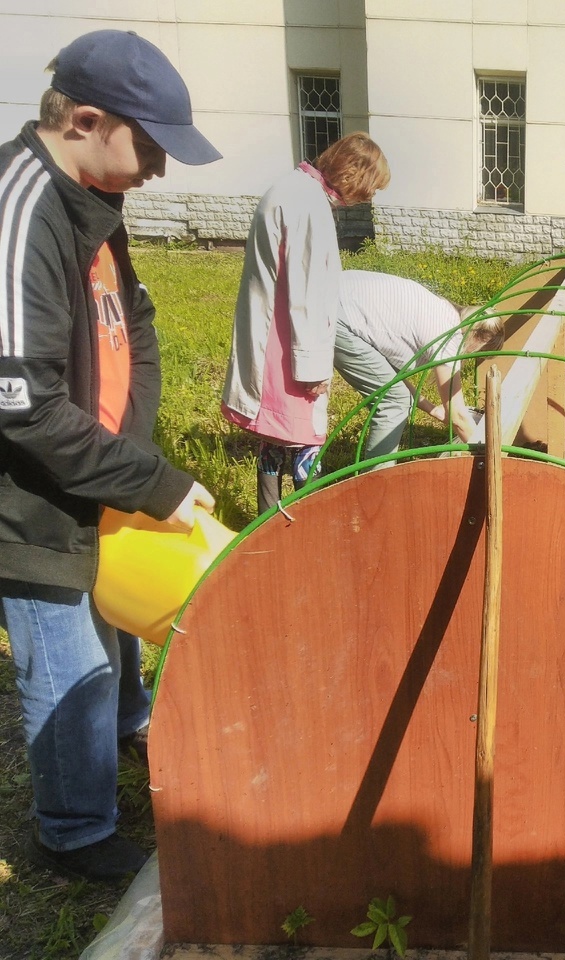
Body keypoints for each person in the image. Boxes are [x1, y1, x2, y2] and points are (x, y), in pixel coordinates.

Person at [0, 29, 219, 881]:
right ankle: (74, 832)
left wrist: (133, 465)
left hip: (99, 476)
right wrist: (149, 480)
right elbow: (22, 406)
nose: (159, 170)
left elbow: (140, 327)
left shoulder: (95, 203)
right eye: (153, 147)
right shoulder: (21, 210)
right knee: (69, 663)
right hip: (35, 502)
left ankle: (130, 731)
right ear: (88, 120)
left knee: (119, 634)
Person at [221, 132, 390, 514]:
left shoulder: (292, 189)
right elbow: (309, 294)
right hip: (287, 349)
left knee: (275, 437)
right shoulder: (308, 205)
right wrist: (313, 368)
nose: (370, 196)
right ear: (355, 175)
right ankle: (308, 524)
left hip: (274, 338)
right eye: (372, 187)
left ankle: (266, 518)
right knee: (302, 439)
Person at [334, 270, 505, 458]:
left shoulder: (444, 313)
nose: (472, 355)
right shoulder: (449, 338)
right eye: (478, 351)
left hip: (335, 292)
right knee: (393, 402)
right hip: (336, 314)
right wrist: (493, 456)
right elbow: (459, 418)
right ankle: (377, 482)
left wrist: (435, 411)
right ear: (478, 337)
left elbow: (393, 377)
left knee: (396, 396)